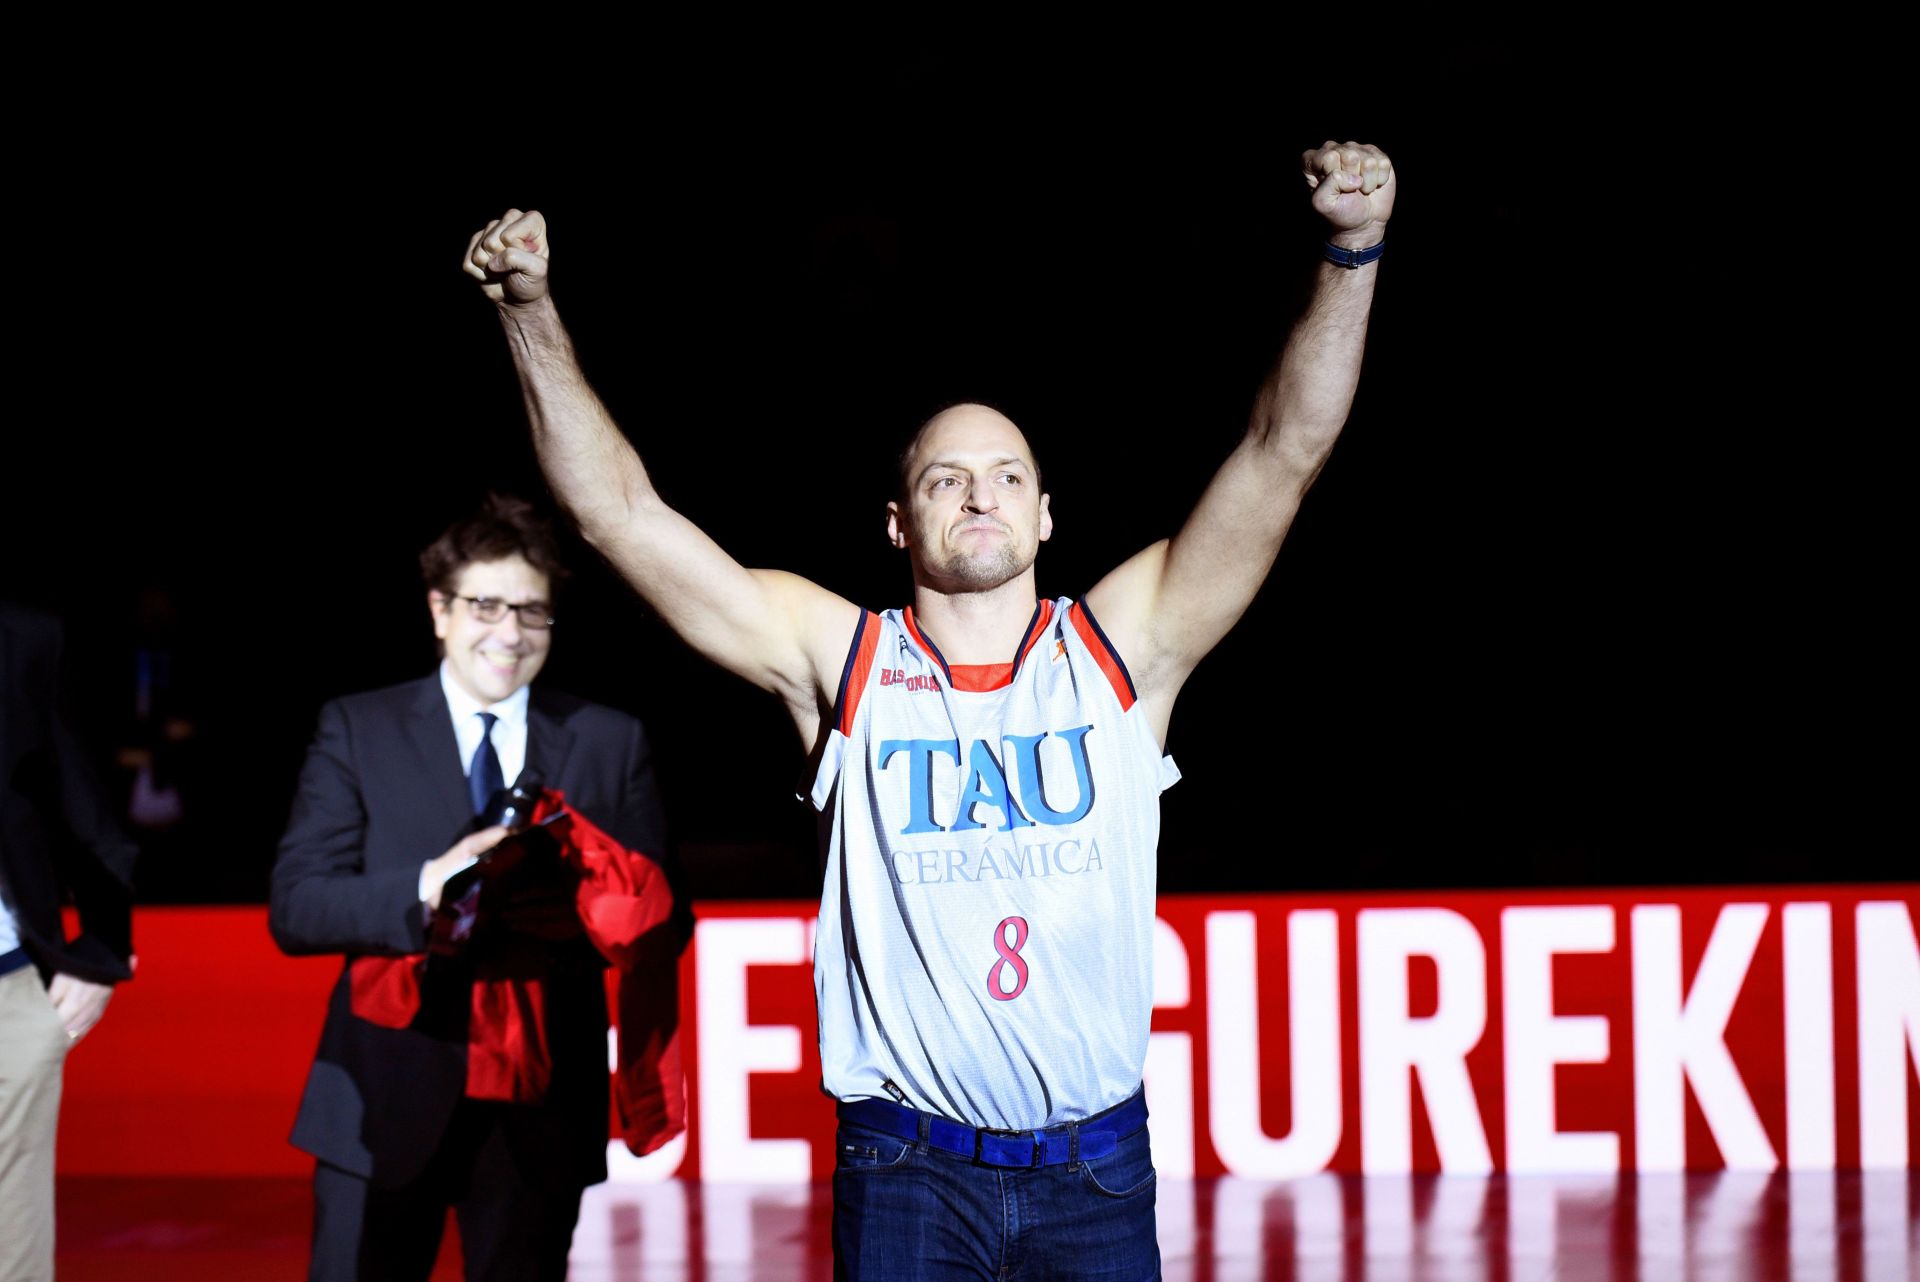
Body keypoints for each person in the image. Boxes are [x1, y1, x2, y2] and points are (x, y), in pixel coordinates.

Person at [465, 139, 1394, 1279]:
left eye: (1006, 474)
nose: (979, 493)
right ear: (900, 524)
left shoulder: (1125, 648)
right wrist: (529, 312)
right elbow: (619, 514)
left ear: (1047, 515)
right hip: (907, 1174)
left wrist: (1352, 250)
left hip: (1096, 1173)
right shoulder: (838, 660)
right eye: (945, 478)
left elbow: (1282, 449)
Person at [270, 495, 678, 1282]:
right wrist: (430, 883)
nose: (510, 632)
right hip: (382, 1089)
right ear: (439, 611)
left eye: (532, 611)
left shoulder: (606, 739)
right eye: (486, 604)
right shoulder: (359, 727)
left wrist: (593, 908)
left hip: (542, 1104)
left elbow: (668, 917)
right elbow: (298, 906)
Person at [0, 603, 140, 1282]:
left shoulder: (23, 639)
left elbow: (74, 793)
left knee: (14, 1262)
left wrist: (102, 951)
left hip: (7, 996)